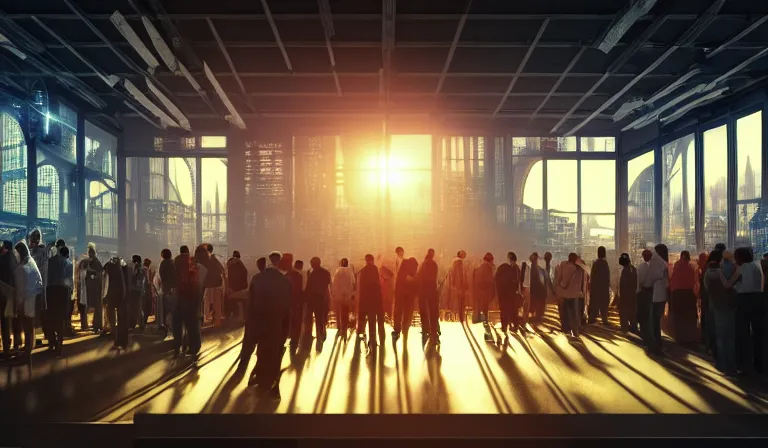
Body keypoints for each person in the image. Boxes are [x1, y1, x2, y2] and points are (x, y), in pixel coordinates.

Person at [248, 251, 291, 399]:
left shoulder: (257, 279)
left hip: (260, 319)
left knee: (262, 347)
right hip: (276, 321)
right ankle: (271, 380)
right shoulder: (284, 281)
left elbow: (251, 303)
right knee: (274, 350)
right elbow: (288, 305)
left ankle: (260, 377)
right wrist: (286, 327)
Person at [722, 247, 765, 374]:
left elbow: (728, 285)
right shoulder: (757, 265)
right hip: (759, 300)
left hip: (744, 301)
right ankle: (760, 363)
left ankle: (744, 364)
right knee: (759, 333)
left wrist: (720, 274)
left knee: (742, 333)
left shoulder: (742, 268)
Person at [703, 250, 737, 376]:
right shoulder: (722, 272)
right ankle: (730, 366)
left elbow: (707, 289)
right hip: (728, 306)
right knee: (729, 336)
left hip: (716, 305)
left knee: (720, 336)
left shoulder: (707, 274)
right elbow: (728, 285)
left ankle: (721, 364)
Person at [12, 241, 43, 365]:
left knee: (28, 326)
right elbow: (39, 282)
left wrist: (20, 301)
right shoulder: (31, 263)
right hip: (30, 299)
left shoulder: (24, 266)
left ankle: (28, 350)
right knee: (29, 326)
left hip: (26, 300)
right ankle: (28, 347)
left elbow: (21, 288)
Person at [174, 246, 207, 358]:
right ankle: (192, 345)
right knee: (192, 322)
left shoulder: (189, 268)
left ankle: (189, 346)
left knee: (189, 323)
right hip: (193, 297)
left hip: (187, 297)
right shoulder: (201, 269)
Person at [46, 244, 73, 356]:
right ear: (66, 254)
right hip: (62, 293)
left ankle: (52, 341)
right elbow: (69, 281)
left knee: (51, 317)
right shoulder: (68, 263)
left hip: (51, 291)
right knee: (61, 318)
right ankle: (60, 344)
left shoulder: (50, 261)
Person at [27, 228, 50, 347]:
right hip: (39, 288)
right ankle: (44, 334)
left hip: (37, 289)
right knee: (40, 313)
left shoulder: (39, 252)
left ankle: (41, 335)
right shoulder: (41, 251)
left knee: (38, 313)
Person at [670, 251, 698, 344]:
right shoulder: (693, 265)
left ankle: (680, 338)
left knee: (679, 316)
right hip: (689, 294)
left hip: (677, 293)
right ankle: (690, 338)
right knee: (689, 316)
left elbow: (672, 279)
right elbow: (695, 280)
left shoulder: (676, 265)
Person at [356, 254, 384, 349]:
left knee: (366, 319)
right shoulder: (374, 269)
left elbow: (361, 287)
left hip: (365, 299)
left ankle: (363, 336)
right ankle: (373, 340)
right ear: (372, 260)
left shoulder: (363, 271)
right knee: (373, 320)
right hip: (374, 298)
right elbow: (376, 283)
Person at [555, 253, 585, 339]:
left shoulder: (567, 267)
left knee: (567, 313)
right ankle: (575, 331)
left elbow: (562, 280)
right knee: (574, 313)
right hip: (575, 294)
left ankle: (568, 330)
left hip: (566, 294)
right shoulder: (579, 269)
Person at [647, 244, 670, 356]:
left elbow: (653, 276)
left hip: (657, 295)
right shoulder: (659, 261)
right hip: (659, 295)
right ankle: (656, 346)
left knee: (655, 322)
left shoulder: (656, 261)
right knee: (656, 322)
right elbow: (657, 276)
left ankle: (656, 346)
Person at [305, 257, 331, 348]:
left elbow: (308, 287)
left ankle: (315, 334)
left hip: (313, 299)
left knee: (314, 317)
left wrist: (305, 298)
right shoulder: (326, 272)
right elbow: (328, 283)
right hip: (323, 298)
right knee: (321, 317)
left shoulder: (311, 274)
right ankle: (321, 333)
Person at [495, 251, 523, 334]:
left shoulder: (515, 268)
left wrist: (518, 292)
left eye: (507, 257)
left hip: (512, 293)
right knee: (511, 310)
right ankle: (509, 326)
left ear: (510, 258)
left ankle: (513, 326)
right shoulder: (512, 267)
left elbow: (517, 281)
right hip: (510, 293)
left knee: (512, 310)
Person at [78, 244, 103, 334]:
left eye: (90, 253)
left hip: (96, 289)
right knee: (95, 307)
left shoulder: (96, 262)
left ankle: (97, 325)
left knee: (97, 307)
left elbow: (98, 275)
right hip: (90, 288)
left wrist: (91, 272)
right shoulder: (91, 262)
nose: (89, 255)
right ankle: (95, 325)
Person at [392, 257, 418, 343]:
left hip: (401, 296)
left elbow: (398, 283)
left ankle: (397, 330)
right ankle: (404, 329)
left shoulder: (402, 270)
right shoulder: (411, 273)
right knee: (407, 313)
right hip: (407, 297)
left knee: (399, 313)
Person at [103, 255, 127, 348]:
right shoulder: (121, 270)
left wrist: (104, 297)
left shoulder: (110, 270)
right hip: (122, 296)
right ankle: (121, 340)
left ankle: (116, 337)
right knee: (121, 319)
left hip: (113, 297)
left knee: (112, 318)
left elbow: (107, 286)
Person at [0, 241, 19, 358]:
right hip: (11, 293)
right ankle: (13, 346)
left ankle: (7, 347)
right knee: (13, 320)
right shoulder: (12, 258)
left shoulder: (4, 258)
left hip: (4, 293)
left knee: (5, 321)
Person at [418, 249, 439, 345]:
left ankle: (425, 328)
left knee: (423, 310)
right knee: (433, 311)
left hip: (423, 290)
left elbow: (419, 276)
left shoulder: (423, 264)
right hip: (432, 290)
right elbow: (435, 278)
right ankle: (434, 330)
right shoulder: (434, 264)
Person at [332, 258, 355, 341]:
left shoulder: (337, 271)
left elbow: (334, 282)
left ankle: (339, 327)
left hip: (339, 295)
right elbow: (353, 282)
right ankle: (344, 328)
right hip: (347, 296)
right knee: (345, 312)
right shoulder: (350, 272)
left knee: (338, 312)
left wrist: (334, 293)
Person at [203, 244, 225, 326]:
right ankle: (217, 321)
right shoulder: (216, 259)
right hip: (217, 284)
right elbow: (222, 271)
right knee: (217, 303)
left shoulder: (206, 260)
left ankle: (208, 320)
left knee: (207, 303)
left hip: (209, 284)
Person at [636, 249, 654, 348]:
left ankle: (644, 334)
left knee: (643, 313)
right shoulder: (654, 267)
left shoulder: (641, 267)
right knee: (650, 313)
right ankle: (651, 334)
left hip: (643, 292)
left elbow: (639, 280)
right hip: (651, 292)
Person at [588, 247, 611, 326]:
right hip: (603, 288)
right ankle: (604, 320)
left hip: (595, 288)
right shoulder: (605, 263)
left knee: (594, 304)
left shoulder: (595, 263)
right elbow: (607, 277)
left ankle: (591, 319)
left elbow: (592, 276)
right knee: (604, 305)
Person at [287, 260, 306, 352]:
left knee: (290, 319)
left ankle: (290, 335)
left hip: (289, 301)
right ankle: (295, 338)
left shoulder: (288, 274)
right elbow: (301, 289)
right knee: (297, 321)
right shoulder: (299, 276)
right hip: (298, 302)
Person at [617, 253, 638, 334]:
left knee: (624, 312)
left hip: (626, 295)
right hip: (632, 295)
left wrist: (620, 297)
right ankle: (633, 327)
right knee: (632, 312)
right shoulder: (633, 268)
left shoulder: (625, 270)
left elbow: (623, 285)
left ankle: (625, 328)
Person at [525, 253, 547, 326]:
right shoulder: (533, 268)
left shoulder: (533, 268)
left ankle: (534, 318)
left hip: (536, 290)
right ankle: (534, 318)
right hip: (534, 290)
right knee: (534, 304)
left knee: (535, 304)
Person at [446, 251, 469, 322]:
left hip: (455, 286)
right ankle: (460, 317)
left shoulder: (454, 262)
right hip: (459, 286)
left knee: (457, 301)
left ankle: (457, 316)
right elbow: (460, 275)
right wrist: (463, 285)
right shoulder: (459, 262)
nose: (465, 255)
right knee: (460, 302)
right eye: (464, 254)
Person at [226, 251, 249, 321]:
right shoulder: (241, 265)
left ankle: (230, 314)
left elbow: (228, 276)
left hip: (232, 289)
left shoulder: (230, 264)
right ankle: (243, 315)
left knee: (226, 297)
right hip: (241, 288)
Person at [157, 248, 176, 332]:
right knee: (173, 307)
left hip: (166, 288)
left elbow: (161, 276)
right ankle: (172, 325)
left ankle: (165, 324)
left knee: (166, 307)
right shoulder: (173, 262)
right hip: (173, 288)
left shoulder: (163, 263)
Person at [141, 258, 154, 329]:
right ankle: (143, 322)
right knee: (146, 307)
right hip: (146, 291)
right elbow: (149, 282)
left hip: (145, 291)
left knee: (145, 307)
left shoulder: (145, 270)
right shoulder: (146, 271)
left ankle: (143, 322)